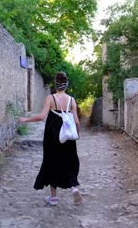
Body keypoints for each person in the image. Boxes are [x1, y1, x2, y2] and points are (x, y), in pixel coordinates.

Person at [18, 71, 82, 206]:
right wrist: (77, 135)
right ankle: (73, 187)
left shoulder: (50, 98)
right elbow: (77, 121)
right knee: (69, 161)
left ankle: (53, 198)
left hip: (52, 136)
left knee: (53, 162)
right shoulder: (72, 100)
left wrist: (25, 120)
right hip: (68, 136)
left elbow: (41, 117)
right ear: (66, 85)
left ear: (55, 84)